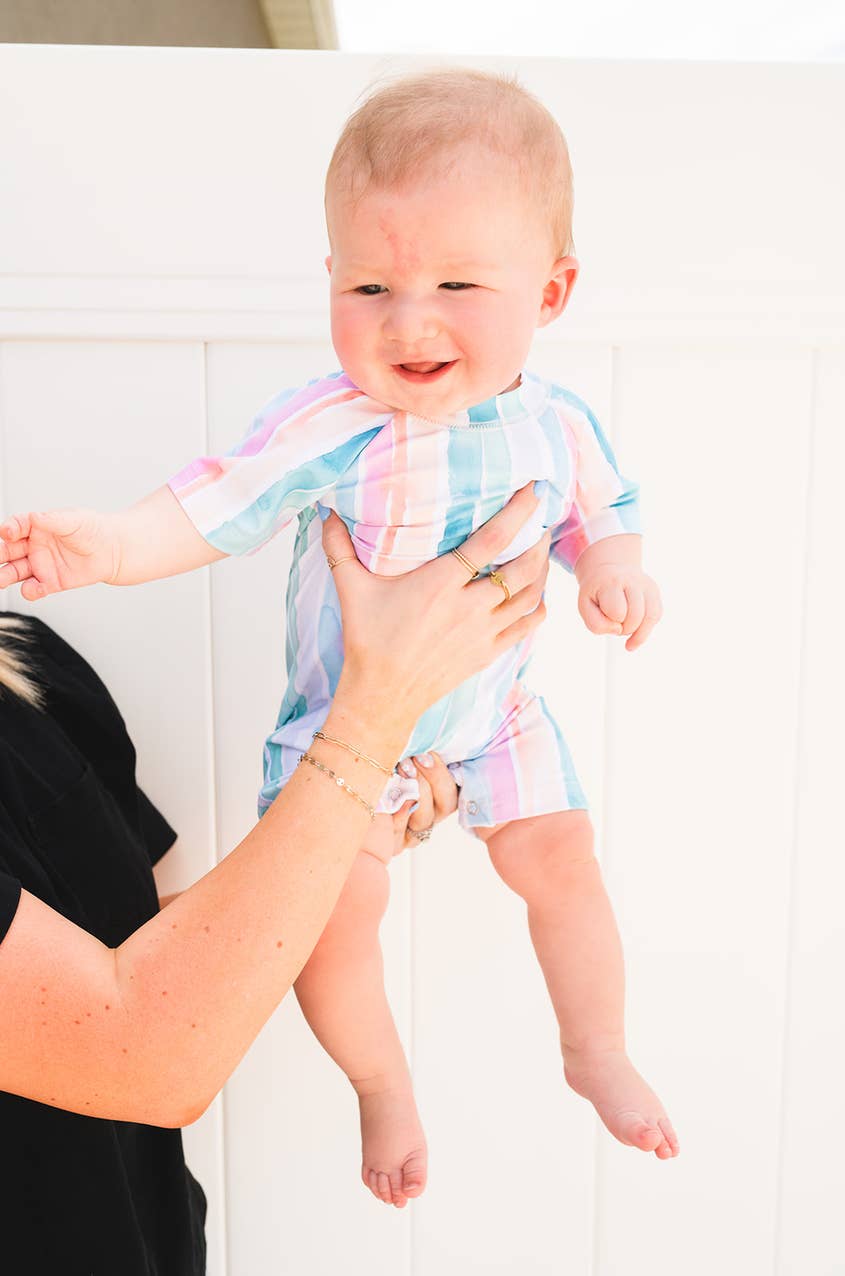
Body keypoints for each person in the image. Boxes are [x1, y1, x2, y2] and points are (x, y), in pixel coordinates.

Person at [0, 68, 677, 1213]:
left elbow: (601, 511)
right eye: (370, 284)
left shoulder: (558, 420)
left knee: (563, 861)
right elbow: (213, 504)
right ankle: (380, 1083)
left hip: (497, 717)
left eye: (457, 281)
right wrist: (105, 548)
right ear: (328, 283)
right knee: (331, 915)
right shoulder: (329, 428)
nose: (408, 318)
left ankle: (595, 1043)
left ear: (551, 290)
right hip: (340, 728)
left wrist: (614, 571)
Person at [0, 491, 547, 1272]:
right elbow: (143, 1051)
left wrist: (348, 834)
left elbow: (142, 950)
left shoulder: (30, 664)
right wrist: (374, 706)